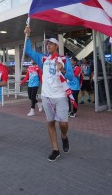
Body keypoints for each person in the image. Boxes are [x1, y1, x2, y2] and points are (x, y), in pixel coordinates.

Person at [24, 26, 74, 162]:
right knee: (51, 122)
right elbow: (28, 50)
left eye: (50, 43)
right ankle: (55, 149)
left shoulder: (64, 59)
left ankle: (64, 136)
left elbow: (72, 77)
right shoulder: (42, 59)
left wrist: (63, 70)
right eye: (47, 44)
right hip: (46, 97)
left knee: (63, 124)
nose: (48, 45)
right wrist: (28, 36)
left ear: (56, 46)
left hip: (61, 96)